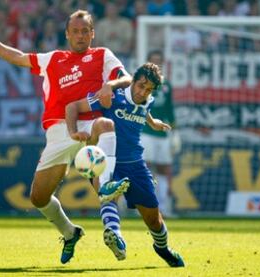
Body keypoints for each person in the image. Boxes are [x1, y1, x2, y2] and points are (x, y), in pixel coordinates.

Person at [0, 10, 131, 264]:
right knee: (38, 198)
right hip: (58, 132)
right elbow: (18, 57)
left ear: (92, 33)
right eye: (75, 31)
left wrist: (111, 85)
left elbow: (127, 78)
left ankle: (113, 229)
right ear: (67, 34)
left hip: (90, 124)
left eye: (85, 31)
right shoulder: (52, 59)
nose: (80, 36)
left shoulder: (102, 55)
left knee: (107, 126)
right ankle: (69, 232)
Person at [65, 63, 185, 267]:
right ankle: (115, 236)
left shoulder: (148, 101)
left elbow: (143, 110)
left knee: (154, 220)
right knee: (107, 194)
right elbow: (73, 107)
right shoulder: (112, 97)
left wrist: (153, 122)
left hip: (136, 164)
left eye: (148, 90)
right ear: (132, 81)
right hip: (104, 160)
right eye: (140, 86)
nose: (143, 92)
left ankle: (162, 248)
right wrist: (72, 133)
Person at [141, 50, 180, 216]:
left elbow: (169, 110)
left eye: (159, 61)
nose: (157, 65)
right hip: (145, 132)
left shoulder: (167, 85)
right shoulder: (140, 83)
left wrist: (175, 132)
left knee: (164, 169)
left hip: (163, 134)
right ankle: (144, 206)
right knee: (146, 168)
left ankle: (163, 208)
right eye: (153, 61)